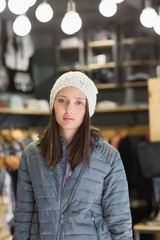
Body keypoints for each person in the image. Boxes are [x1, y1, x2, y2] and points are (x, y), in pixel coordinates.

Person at [13, 71, 133, 240]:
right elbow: (23, 217)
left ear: (88, 108)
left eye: (79, 102)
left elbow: (120, 222)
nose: (69, 109)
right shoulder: (31, 155)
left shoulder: (108, 157)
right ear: (53, 103)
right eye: (62, 100)